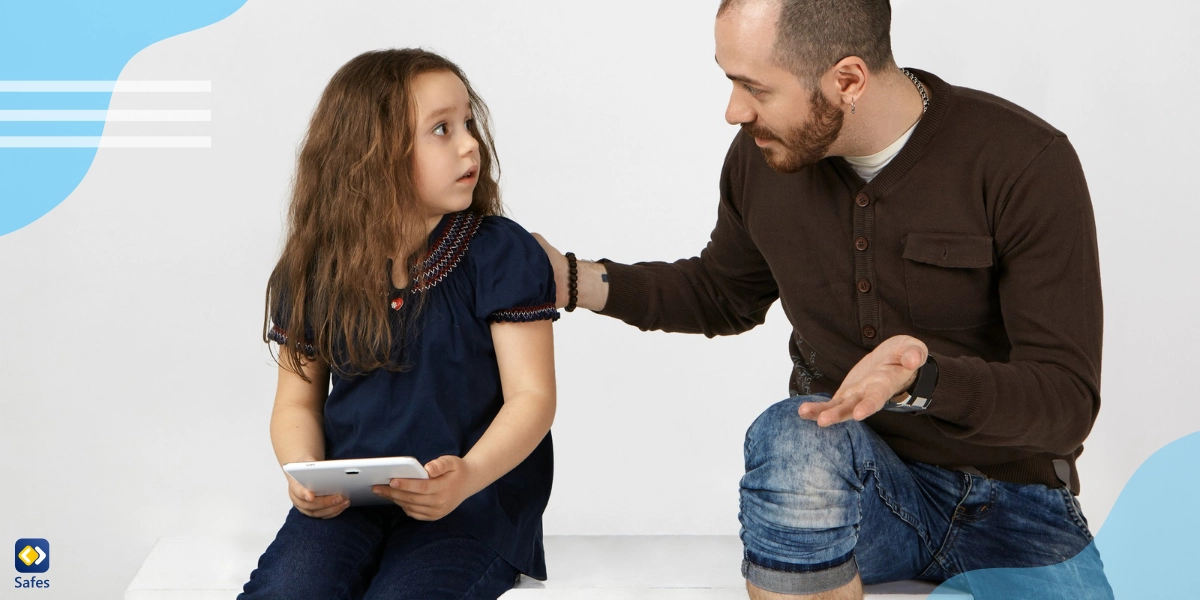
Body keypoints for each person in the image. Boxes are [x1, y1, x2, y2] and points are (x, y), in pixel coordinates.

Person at [534, 1, 1112, 598]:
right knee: (794, 434)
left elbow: (1066, 400)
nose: (734, 110)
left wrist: (922, 379)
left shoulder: (1024, 161)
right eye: (729, 79)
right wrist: (573, 280)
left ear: (849, 80)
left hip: (1015, 504)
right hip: (854, 489)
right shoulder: (762, 157)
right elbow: (721, 292)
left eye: (754, 87)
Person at [239, 48, 558, 600]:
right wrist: (304, 473)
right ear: (370, 156)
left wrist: (467, 477)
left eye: (467, 124)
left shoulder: (500, 253)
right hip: (352, 503)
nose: (469, 144)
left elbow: (532, 398)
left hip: (471, 506)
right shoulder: (314, 268)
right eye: (441, 129)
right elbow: (295, 403)